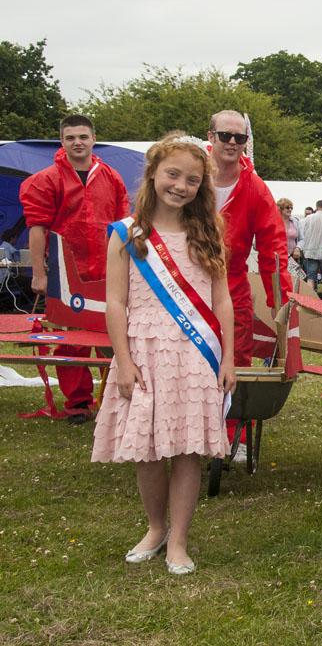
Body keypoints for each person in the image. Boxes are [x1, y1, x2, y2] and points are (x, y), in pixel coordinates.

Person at [91, 133, 236, 576]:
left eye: (192, 180)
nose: (181, 185)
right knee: (149, 451)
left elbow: (222, 299)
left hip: (194, 356)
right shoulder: (127, 234)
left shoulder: (209, 233)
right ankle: (155, 528)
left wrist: (228, 356)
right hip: (143, 350)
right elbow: (115, 302)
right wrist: (124, 360)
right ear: (153, 173)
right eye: (173, 174)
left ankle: (179, 541)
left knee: (189, 449)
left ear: (201, 187)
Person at [19, 114, 129, 424]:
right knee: (70, 340)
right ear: (63, 142)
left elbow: (124, 226)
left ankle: (115, 397)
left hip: (108, 271)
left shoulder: (112, 177)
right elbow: (37, 228)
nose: (77, 142)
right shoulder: (45, 180)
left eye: (83, 136)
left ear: (94, 139)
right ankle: (78, 403)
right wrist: (40, 274)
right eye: (70, 138)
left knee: (114, 335)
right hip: (66, 275)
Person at [207, 110, 292, 367]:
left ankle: (236, 407)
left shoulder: (256, 188)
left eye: (239, 137)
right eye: (225, 136)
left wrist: (281, 301)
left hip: (233, 284)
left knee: (236, 356)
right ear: (211, 137)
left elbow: (273, 250)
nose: (232, 142)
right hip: (186, 282)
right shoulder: (190, 177)